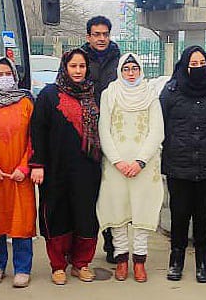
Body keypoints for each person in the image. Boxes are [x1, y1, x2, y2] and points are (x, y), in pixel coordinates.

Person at [30, 48, 102, 285]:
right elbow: (38, 130)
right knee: (57, 213)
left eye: (82, 66)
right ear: (65, 67)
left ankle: (81, 263)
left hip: (87, 167)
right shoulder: (49, 95)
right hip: (56, 167)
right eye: (74, 66)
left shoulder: (94, 94)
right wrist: (37, 164)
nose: (78, 71)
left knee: (85, 215)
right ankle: (58, 265)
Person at [97, 53, 164, 282]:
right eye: (126, 69)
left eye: (135, 68)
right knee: (118, 210)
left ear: (141, 69)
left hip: (144, 167)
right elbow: (103, 130)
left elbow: (157, 131)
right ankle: (121, 260)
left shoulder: (150, 95)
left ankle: (140, 262)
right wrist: (117, 161)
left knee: (142, 210)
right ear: (120, 71)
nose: (131, 73)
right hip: (116, 166)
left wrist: (140, 161)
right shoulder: (110, 94)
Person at [160, 45, 206, 283]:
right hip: (178, 163)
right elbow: (161, 125)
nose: (197, 68)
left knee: (202, 216)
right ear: (184, 65)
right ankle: (176, 260)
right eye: (193, 64)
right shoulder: (171, 91)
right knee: (179, 215)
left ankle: (202, 263)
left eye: (201, 64)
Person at [0, 57, 36, 289]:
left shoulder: (26, 102)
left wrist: (25, 166)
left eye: (7, 73)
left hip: (20, 174)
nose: (4, 78)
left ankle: (23, 267)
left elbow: (34, 138)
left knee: (21, 218)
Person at [81, 15, 121, 263]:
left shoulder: (120, 60)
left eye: (105, 34)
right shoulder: (79, 60)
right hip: (86, 133)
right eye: (96, 34)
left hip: (114, 133)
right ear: (89, 36)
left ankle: (112, 245)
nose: (101, 38)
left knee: (111, 192)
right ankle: (82, 247)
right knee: (87, 192)